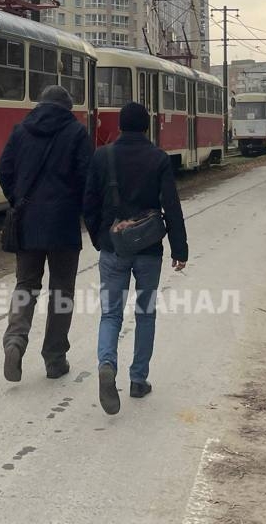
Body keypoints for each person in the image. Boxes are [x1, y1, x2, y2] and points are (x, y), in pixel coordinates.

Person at [83, 101, 188, 415]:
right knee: (145, 312)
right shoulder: (158, 158)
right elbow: (172, 205)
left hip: (113, 247)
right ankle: (138, 379)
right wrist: (180, 249)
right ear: (146, 126)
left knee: (111, 314)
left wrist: (101, 237)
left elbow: (88, 203)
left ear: (120, 126)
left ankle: (106, 365)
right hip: (148, 250)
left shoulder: (102, 156)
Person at [0, 84, 94, 382]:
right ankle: (54, 358)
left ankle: (15, 340)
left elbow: (3, 170)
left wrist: (17, 199)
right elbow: (88, 178)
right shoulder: (77, 133)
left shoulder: (21, 130)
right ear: (67, 108)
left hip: (27, 221)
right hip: (63, 223)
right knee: (62, 291)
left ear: (40, 105)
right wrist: (80, 209)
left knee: (26, 284)